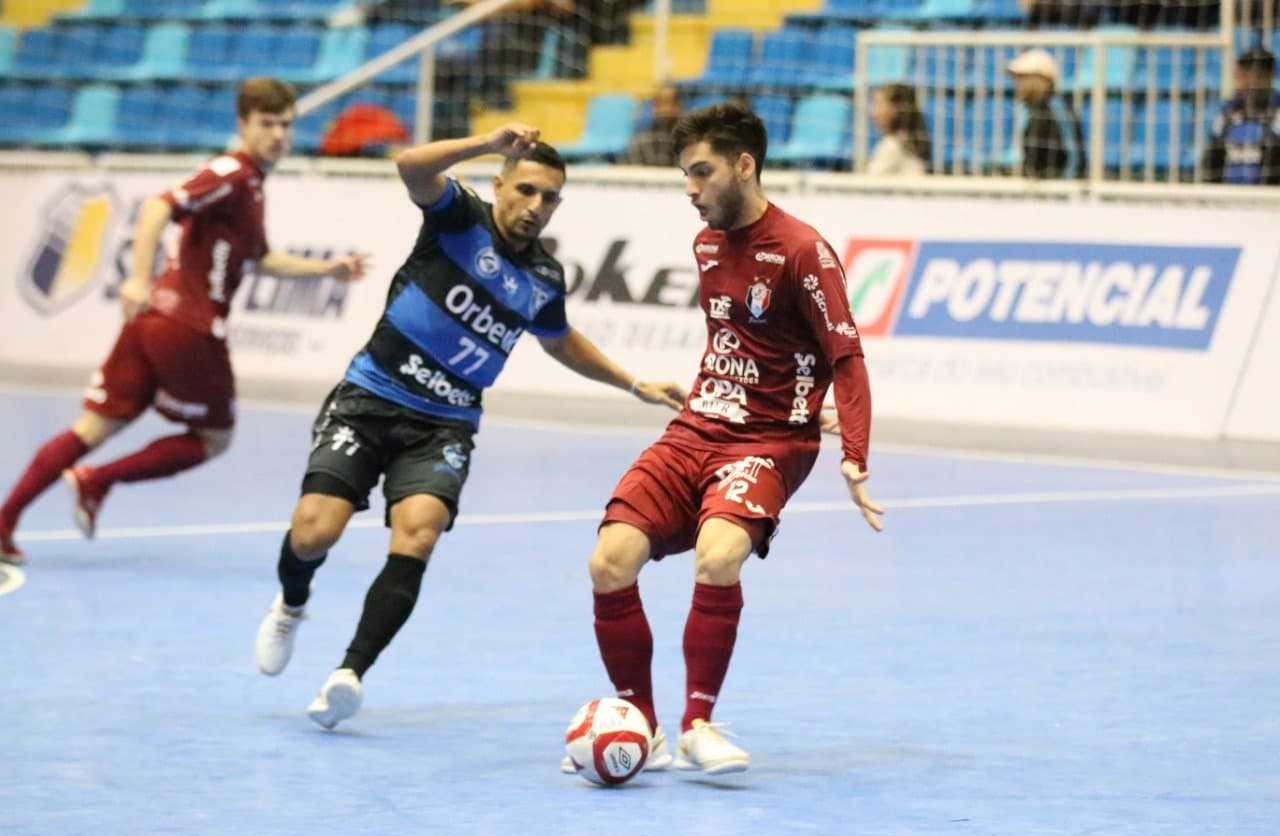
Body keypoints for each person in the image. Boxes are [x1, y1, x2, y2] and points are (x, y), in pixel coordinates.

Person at [252, 124, 685, 730]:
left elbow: (560, 342)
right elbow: (410, 166)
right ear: (500, 183)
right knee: (311, 534)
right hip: (371, 396)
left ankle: (348, 673)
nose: (537, 207)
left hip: (445, 424)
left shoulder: (543, 278)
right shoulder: (460, 219)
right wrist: (488, 141)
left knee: (419, 534)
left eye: (550, 199)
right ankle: (293, 604)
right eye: (528, 191)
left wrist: (634, 384)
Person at [563, 101, 883, 776]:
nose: (690, 188)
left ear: (744, 165)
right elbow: (743, 341)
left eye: (701, 172)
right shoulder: (706, 244)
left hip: (770, 442)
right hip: (695, 428)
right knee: (608, 561)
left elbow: (846, 356)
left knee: (718, 555)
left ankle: (697, 723)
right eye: (684, 174)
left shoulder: (803, 251)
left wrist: (853, 450)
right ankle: (639, 725)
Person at [0, 77, 368, 566]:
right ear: (243, 125)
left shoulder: (250, 185)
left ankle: (4, 523)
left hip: (154, 323)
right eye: (266, 124)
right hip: (189, 328)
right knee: (215, 438)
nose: (278, 135)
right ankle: (96, 480)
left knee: (95, 426)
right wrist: (136, 279)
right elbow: (158, 206)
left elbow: (260, 258)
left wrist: (327, 270)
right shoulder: (232, 173)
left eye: (285, 125)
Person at [1202, 46, 1280, 185]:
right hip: (1229, 199)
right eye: (1238, 76)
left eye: (1243, 76)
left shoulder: (1277, 114)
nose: (1238, 83)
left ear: (1266, 78)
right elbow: (1211, 162)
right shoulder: (1227, 113)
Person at [1006, 47, 1085, 179]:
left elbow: (1075, 156)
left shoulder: (1058, 108)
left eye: (1023, 77)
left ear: (1042, 79)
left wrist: (1063, 190)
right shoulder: (1027, 110)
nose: (1018, 83)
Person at [866, 83, 931, 176]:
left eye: (879, 105)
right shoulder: (910, 143)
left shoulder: (892, 145)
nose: (874, 113)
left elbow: (869, 183)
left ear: (896, 110)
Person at [621, 83, 682, 167]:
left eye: (671, 103)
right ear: (654, 107)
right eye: (662, 103)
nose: (666, 109)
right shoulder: (639, 141)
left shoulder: (686, 142)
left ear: (678, 106)